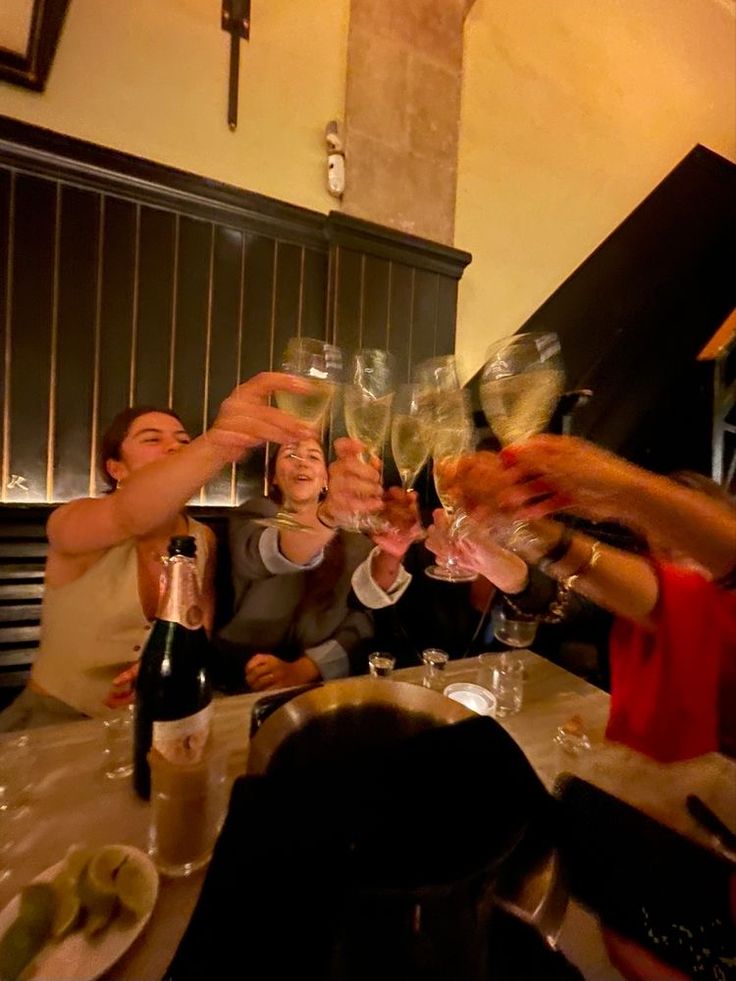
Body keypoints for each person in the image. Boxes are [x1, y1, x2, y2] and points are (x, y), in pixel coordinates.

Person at [0, 373, 316, 731]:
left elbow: (197, 623)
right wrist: (218, 443)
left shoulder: (202, 539)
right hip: (53, 719)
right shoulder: (73, 521)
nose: (175, 447)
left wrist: (162, 667)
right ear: (116, 468)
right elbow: (127, 515)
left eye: (184, 441)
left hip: (155, 715)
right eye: (152, 439)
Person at [444, 440, 736, 762]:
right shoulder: (641, 595)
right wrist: (512, 542)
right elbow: (562, 599)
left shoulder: (713, 607)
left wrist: (626, 488)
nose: (673, 551)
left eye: (687, 535)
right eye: (662, 544)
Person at [215, 437, 380, 692]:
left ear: (326, 479)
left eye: (313, 457)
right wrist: (328, 515)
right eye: (290, 455)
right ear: (273, 478)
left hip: (325, 683)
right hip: (243, 670)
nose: (302, 463)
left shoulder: (355, 540)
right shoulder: (253, 514)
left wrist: (308, 667)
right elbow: (264, 554)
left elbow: (360, 620)